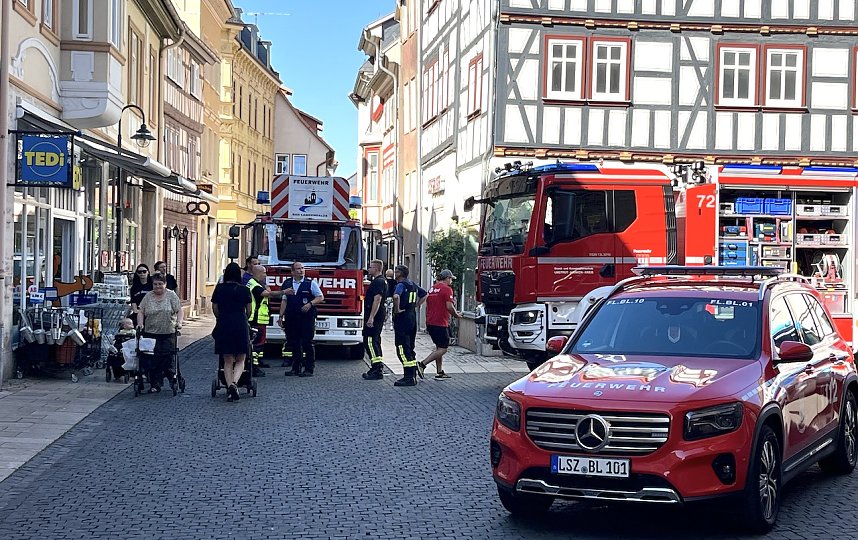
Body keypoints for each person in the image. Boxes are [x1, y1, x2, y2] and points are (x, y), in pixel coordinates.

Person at [212, 262, 253, 402]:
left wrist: (221, 318)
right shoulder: (244, 290)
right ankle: (234, 383)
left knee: (227, 359)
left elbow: (215, 308)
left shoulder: (219, 289)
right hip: (240, 323)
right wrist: (243, 318)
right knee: (241, 358)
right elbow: (249, 310)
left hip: (224, 323)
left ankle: (230, 386)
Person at [137, 273, 183, 393]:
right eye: (155, 284)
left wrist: (179, 322)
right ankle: (155, 383)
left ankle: (171, 377)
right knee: (152, 358)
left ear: (165, 284)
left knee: (167, 356)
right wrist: (140, 323)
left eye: (160, 284)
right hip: (151, 332)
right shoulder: (148, 296)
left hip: (168, 332)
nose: (157, 286)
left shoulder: (171, 295)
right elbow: (141, 311)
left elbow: (179, 310)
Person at [279, 261, 324, 377]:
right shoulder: (287, 283)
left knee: (307, 343)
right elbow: (284, 300)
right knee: (294, 343)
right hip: (291, 318)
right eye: (298, 269)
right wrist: (280, 316)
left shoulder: (310, 283)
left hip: (306, 318)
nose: (301, 270)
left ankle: (309, 369)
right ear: (292, 271)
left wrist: (310, 304)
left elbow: (320, 297)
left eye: (303, 268)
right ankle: (296, 368)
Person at [418, 269, 462, 380]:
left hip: (431, 322)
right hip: (440, 322)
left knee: (438, 347)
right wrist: (456, 315)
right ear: (447, 278)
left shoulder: (432, 289)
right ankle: (422, 364)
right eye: (451, 279)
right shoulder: (447, 289)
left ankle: (439, 371)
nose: (451, 281)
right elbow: (449, 307)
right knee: (443, 348)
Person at [391, 265, 427, 387]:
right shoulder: (412, 284)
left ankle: (408, 377)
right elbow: (424, 294)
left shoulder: (401, 285)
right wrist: (417, 305)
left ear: (400, 274)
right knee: (410, 347)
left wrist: (397, 309)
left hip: (402, 318)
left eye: (396, 271)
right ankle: (412, 374)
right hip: (412, 317)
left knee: (401, 347)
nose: (394, 273)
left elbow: (396, 296)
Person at [246, 265, 281, 376]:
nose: (266, 275)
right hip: (256, 319)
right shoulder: (255, 285)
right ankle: (254, 368)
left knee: (259, 343)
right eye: (264, 273)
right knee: (257, 344)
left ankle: (257, 363)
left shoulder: (256, 283)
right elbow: (267, 293)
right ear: (258, 273)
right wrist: (284, 292)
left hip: (259, 319)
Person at [361, 259, 388, 380]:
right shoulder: (382, 281)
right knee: (375, 341)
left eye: (370, 267)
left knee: (370, 341)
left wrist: (371, 317)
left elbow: (377, 300)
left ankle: (376, 368)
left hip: (375, 316)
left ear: (376, 269)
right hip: (377, 315)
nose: (369, 269)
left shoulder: (378, 282)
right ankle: (377, 367)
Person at [106, 318, 136, 383]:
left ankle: (122, 373)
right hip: (122, 348)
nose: (132, 324)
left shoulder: (134, 332)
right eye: (129, 323)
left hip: (130, 348)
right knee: (115, 353)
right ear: (124, 326)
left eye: (132, 323)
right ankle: (116, 372)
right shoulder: (121, 333)